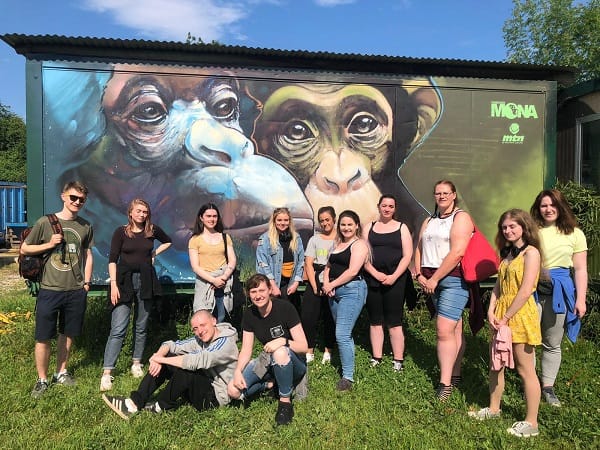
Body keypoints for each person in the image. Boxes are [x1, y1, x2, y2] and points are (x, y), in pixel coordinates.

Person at [469, 209, 542, 438]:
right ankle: (493, 408)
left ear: (524, 227)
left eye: (513, 226)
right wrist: (491, 311)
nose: (508, 231)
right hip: (501, 315)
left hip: (519, 315)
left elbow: (526, 289)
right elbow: (499, 287)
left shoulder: (531, 253)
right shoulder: (507, 254)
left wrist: (507, 317)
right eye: (504, 227)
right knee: (495, 364)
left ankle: (532, 422)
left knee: (524, 368)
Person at [21, 181, 94, 398]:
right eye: (73, 198)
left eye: (81, 199)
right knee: (43, 336)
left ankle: (61, 372)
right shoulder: (46, 222)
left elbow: (88, 255)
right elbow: (25, 248)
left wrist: (86, 283)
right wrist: (49, 244)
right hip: (50, 289)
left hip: (75, 290)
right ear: (63, 196)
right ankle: (42, 379)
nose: (77, 202)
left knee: (68, 334)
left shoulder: (85, 226)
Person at [102, 309, 239, 419]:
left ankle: (160, 406)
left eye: (203, 325)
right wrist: (159, 356)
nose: (200, 331)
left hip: (214, 398)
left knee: (187, 368)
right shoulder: (200, 339)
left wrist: (160, 360)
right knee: (169, 355)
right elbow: (171, 344)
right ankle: (135, 402)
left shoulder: (225, 342)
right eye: (195, 329)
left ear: (214, 321)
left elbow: (198, 361)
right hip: (199, 387)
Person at [100, 198, 172, 392]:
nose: (142, 214)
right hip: (123, 281)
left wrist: (154, 253)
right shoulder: (121, 232)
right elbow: (113, 259)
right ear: (130, 213)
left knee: (141, 325)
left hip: (146, 279)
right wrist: (114, 284)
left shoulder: (152, 231)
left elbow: (168, 241)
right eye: (139, 211)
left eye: (145, 212)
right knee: (118, 327)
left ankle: (136, 363)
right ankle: (107, 372)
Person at [413, 180, 472, 401]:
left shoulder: (461, 217)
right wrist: (419, 274)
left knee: (443, 330)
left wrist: (435, 279)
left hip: (452, 280)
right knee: (454, 328)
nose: (442, 196)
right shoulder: (429, 220)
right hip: (430, 281)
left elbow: (458, 252)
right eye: (438, 193)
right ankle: (455, 374)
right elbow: (419, 247)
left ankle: (444, 384)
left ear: (454, 195)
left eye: (446, 193)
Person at [530, 189, 588, 407]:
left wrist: (580, 299)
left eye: (552, 205)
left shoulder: (575, 233)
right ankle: (531, 384)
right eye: (544, 205)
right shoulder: (531, 231)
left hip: (561, 291)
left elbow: (581, 269)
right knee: (529, 340)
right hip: (532, 289)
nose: (548, 209)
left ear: (561, 207)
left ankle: (548, 387)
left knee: (552, 342)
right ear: (538, 208)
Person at [227, 273, 308, 426]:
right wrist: (238, 371)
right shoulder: (249, 314)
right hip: (267, 359)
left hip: (294, 362)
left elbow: (304, 347)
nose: (258, 296)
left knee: (280, 351)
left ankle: (285, 403)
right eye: (253, 292)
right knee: (233, 390)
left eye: (262, 290)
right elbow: (246, 349)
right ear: (248, 294)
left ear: (270, 290)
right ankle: (269, 385)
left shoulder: (285, 308)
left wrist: (283, 341)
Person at [363, 194, 413, 372]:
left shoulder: (402, 228)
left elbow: (407, 256)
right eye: (384, 205)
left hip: (396, 281)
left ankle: (397, 360)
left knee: (394, 321)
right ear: (378, 207)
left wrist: (393, 276)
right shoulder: (369, 227)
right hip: (372, 279)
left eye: (390, 206)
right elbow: (363, 254)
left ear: (395, 209)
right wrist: (375, 273)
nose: (387, 209)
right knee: (375, 320)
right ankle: (377, 357)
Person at [322, 210, 369, 391]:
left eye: (350, 224)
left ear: (357, 225)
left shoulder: (360, 245)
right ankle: (347, 366)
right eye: (343, 224)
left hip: (352, 291)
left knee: (341, 334)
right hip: (334, 292)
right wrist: (327, 283)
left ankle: (347, 377)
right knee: (344, 333)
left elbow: (352, 271)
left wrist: (331, 284)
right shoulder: (338, 244)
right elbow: (328, 266)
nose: (346, 228)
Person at [188, 203, 237, 321]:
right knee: (204, 318)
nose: (212, 219)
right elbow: (195, 267)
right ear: (201, 217)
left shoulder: (225, 237)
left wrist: (223, 278)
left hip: (222, 283)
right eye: (208, 216)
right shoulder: (195, 240)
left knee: (221, 317)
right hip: (205, 284)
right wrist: (213, 280)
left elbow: (232, 260)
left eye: (214, 216)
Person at [301, 206, 337, 364]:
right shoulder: (314, 239)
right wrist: (315, 286)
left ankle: (329, 350)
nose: (325, 223)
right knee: (308, 317)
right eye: (321, 221)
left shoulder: (340, 239)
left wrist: (331, 284)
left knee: (330, 317)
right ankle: (309, 350)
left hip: (333, 281)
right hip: (315, 280)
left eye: (327, 219)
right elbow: (308, 263)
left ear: (334, 219)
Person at [256, 207, 305, 311]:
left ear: (290, 221)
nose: (283, 223)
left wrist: (296, 283)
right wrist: (273, 286)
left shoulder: (296, 238)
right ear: (274, 221)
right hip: (274, 283)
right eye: (279, 220)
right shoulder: (265, 239)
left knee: (294, 312)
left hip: (291, 283)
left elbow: (301, 262)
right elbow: (262, 263)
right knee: (277, 312)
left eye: (286, 220)